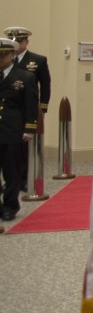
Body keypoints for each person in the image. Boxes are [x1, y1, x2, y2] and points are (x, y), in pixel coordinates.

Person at [4, 26, 50, 197]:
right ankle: (12, 181)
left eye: (20, 41)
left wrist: (42, 108)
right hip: (9, 112)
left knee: (24, 150)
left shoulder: (37, 60)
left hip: (28, 109)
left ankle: (23, 179)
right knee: (10, 151)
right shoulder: (6, 60)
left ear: (26, 42)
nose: (17, 45)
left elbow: (45, 85)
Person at [0, 37, 37, 223]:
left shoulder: (24, 77)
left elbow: (30, 105)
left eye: (3, 55)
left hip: (12, 130)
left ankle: (9, 206)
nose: (0, 58)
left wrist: (29, 128)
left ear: (12, 55)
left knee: (11, 172)